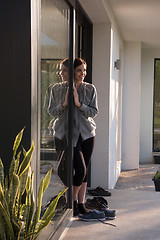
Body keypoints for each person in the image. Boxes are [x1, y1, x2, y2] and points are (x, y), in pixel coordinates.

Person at [48, 58, 99, 216]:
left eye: (84, 70)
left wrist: (78, 104)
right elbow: (51, 111)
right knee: (65, 170)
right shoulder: (56, 89)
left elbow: (94, 112)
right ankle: (71, 201)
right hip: (64, 135)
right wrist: (63, 104)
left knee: (83, 171)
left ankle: (80, 204)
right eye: (80, 70)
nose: (83, 73)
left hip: (86, 135)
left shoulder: (90, 89)